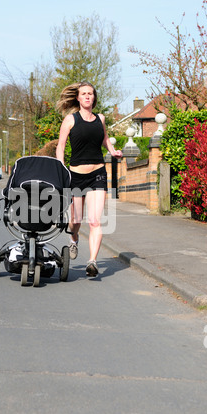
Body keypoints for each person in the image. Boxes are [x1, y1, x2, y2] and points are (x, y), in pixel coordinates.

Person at [56, 81, 123, 277]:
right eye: (83, 93)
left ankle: (92, 261)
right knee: (75, 220)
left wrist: (113, 151)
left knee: (95, 221)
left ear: (94, 97)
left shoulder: (100, 119)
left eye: (90, 93)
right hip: (76, 175)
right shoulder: (70, 119)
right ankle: (74, 239)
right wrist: (61, 166)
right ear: (77, 98)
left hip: (98, 174)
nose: (87, 96)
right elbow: (61, 146)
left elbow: (104, 138)